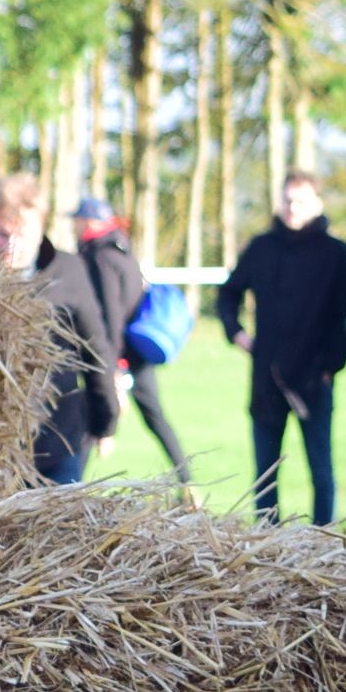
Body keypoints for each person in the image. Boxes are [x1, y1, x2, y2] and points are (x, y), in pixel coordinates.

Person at [216, 172, 346, 528]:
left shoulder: (335, 253)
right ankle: (265, 544)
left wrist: (331, 365)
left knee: (321, 470)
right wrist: (237, 334)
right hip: (268, 377)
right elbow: (229, 293)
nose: (293, 208)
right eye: (288, 200)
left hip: (314, 378)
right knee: (265, 473)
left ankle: (326, 542)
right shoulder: (261, 247)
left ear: (317, 204)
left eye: (301, 201)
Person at [0, 174, 116, 484]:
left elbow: (96, 350)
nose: (12, 246)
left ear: (41, 228)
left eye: (23, 233)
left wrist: (105, 422)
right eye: (2, 234)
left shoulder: (68, 271)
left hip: (57, 446)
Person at [70, 196, 195, 492]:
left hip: (120, 353)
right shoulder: (120, 247)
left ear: (89, 222)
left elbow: (110, 313)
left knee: (94, 416)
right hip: (135, 352)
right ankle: (188, 482)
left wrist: (114, 364)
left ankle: (69, 488)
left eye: (77, 219)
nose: (73, 225)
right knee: (154, 416)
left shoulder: (100, 256)